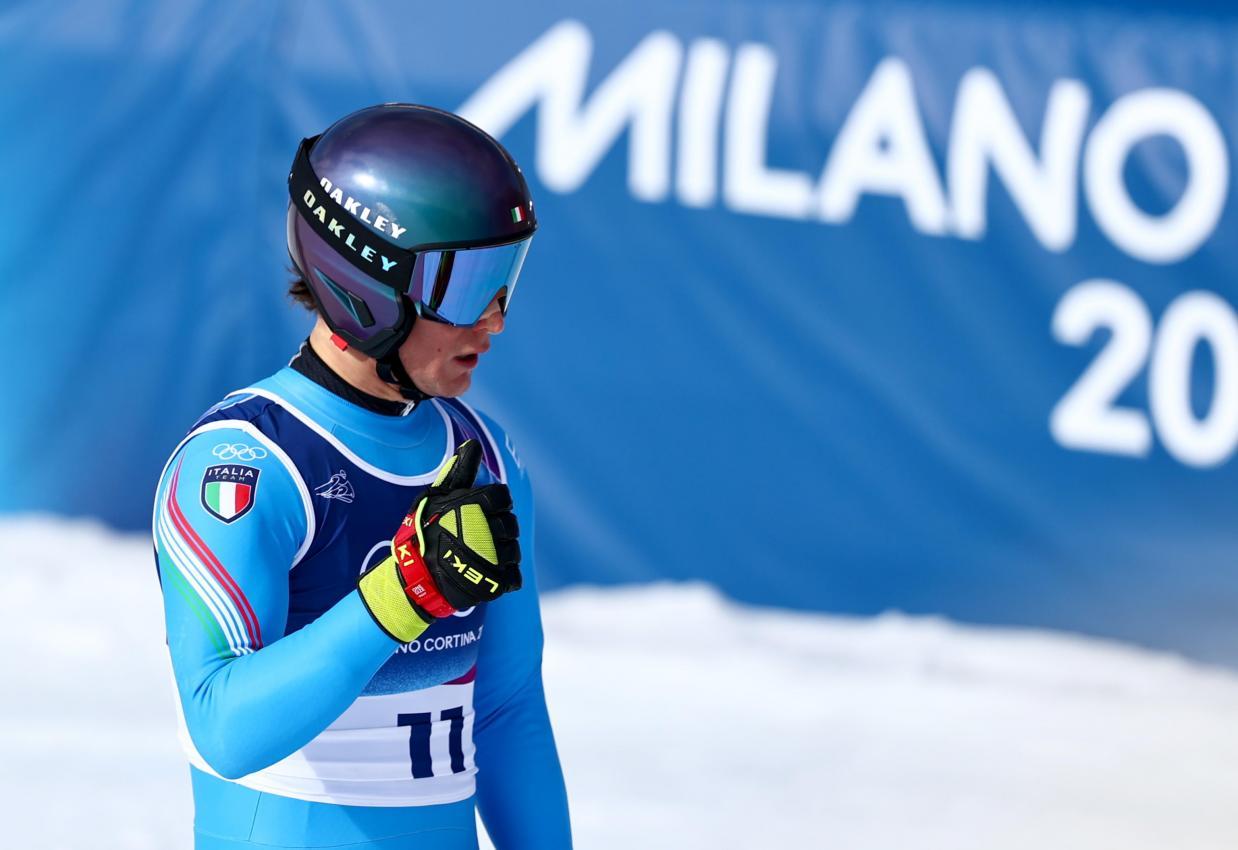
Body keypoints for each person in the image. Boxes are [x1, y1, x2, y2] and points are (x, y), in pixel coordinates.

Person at [151, 104, 572, 850]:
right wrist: (401, 597)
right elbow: (221, 725)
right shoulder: (245, 467)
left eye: (507, 279)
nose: (496, 319)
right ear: (368, 283)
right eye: (471, 284)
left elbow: (508, 711)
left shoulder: (486, 455)